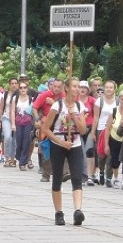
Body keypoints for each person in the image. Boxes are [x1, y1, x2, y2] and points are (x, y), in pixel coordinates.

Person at [41, 77, 88, 225]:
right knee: (57, 179)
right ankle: (58, 212)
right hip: (59, 143)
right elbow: (46, 128)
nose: (77, 89)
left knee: (76, 177)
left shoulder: (79, 106)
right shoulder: (57, 105)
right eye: (74, 86)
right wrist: (60, 141)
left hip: (75, 144)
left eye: (78, 86)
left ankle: (78, 210)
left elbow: (83, 130)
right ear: (67, 88)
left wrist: (75, 115)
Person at [93, 80, 118, 185]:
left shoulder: (117, 101)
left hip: (113, 130)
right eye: (107, 87)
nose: (108, 89)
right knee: (101, 153)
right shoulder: (99, 101)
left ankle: (109, 177)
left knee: (111, 154)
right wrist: (93, 132)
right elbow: (96, 117)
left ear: (114, 89)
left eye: (111, 87)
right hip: (101, 129)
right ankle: (101, 172)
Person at [10, 80, 34, 170]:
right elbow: (12, 111)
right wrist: (12, 124)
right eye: (21, 87)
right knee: (19, 142)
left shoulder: (31, 99)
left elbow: (34, 111)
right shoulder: (15, 98)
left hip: (28, 122)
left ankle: (23, 163)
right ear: (18, 89)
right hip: (18, 122)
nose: (23, 89)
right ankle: (19, 156)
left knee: (26, 142)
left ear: (27, 89)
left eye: (24, 87)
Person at [0, 78, 19, 167]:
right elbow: (1, 107)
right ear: (9, 84)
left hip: (17, 119)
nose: (14, 85)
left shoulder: (20, 94)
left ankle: (13, 158)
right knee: (7, 137)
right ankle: (6, 158)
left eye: (15, 83)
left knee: (14, 140)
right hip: (6, 118)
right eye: (12, 83)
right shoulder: (6, 94)